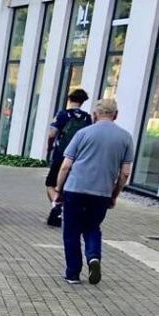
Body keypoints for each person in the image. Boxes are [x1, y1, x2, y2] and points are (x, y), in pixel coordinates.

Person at [54, 98, 133, 285]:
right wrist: (114, 194)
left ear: (95, 115)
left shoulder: (83, 133)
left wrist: (59, 189)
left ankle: (73, 274)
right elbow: (125, 173)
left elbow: (66, 165)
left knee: (71, 231)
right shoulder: (125, 137)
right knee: (92, 227)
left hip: (75, 188)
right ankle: (93, 257)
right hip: (102, 192)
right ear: (116, 115)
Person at [45, 89, 92, 227]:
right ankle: (63, 208)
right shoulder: (87, 118)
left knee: (50, 184)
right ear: (82, 102)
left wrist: (49, 147)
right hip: (79, 158)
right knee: (68, 186)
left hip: (61, 155)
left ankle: (56, 205)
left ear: (69, 99)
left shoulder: (62, 114)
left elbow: (52, 133)